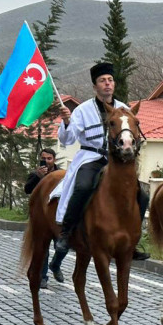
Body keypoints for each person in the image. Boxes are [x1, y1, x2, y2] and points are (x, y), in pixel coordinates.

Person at [48, 62, 149, 283]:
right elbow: (67, 139)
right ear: (95, 86)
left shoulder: (124, 109)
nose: (107, 84)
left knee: (142, 194)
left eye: (110, 80)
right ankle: (66, 233)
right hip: (92, 157)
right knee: (83, 186)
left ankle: (133, 239)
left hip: (117, 160)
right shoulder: (83, 110)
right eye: (102, 81)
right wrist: (66, 121)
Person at [24, 148, 60, 288]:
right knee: (42, 248)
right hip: (41, 216)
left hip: (57, 215)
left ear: (54, 159)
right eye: (43, 158)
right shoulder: (35, 173)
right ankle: (42, 277)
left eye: (49, 158)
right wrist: (38, 177)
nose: (46, 161)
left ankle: (56, 264)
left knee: (61, 245)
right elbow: (27, 190)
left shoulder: (61, 174)